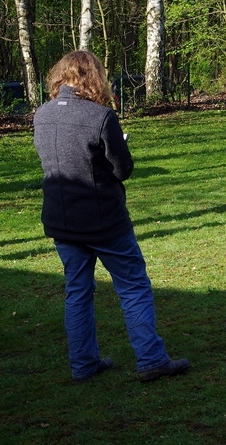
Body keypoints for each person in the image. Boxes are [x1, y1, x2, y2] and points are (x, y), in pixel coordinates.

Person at [33, 51, 190, 382]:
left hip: (63, 220)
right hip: (103, 220)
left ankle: (84, 362)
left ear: (61, 77)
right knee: (132, 286)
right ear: (94, 78)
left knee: (77, 291)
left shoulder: (42, 115)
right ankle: (151, 359)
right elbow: (122, 169)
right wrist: (119, 146)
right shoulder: (100, 117)